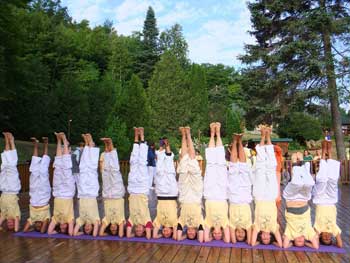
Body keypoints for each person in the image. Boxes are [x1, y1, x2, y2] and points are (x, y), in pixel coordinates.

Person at [251, 126, 283, 247]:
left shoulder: (257, 227)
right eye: (267, 238)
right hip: (270, 196)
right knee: (270, 167)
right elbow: (280, 244)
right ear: (270, 236)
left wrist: (257, 241)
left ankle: (263, 136)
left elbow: (253, 243)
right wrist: (275, 242)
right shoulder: (274, 228)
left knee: (260, 167)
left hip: (259, 195)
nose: (264, 237)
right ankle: (267, 136)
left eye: (263, 238)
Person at [282, 152, 319, 249]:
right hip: (304, 198)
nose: (300, 241)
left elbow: (285, 246)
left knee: (296, 183)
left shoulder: (290, 234)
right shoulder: (308, 233)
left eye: (297, 242)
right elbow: (316, 246)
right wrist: (306, 244)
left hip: (291, 198)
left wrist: (291, 243)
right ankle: (302, 162)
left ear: (294, 240)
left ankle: (294, 162)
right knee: (310, 183)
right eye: (302, 242)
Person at [203, 123, 230, 243]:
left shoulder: (208, 223)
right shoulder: (225, 223)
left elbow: (204, 238)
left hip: (210, 194)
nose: (217, 233)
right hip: (221, 195)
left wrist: (209, 237)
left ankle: (212, 133)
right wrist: (224, 237)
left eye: (215, 234)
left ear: (212, 232)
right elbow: (228, 240)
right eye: (220, 234)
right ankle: (218, 133)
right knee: (220, 163)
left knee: (210, 164)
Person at [313, 140, 342, 248]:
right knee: (333, 179)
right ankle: (329, 153)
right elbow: (340, 245)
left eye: (325, 238)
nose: (327, 237)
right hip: (330, 200)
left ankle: (323, 151)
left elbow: (315, 242)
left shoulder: (318, 228)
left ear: (320, 236)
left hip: (320, 200)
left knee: (322, 179)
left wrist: (318, 235)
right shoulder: (334, 229)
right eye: (329, 238)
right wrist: (335, 236)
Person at [177, 126, 204, 243]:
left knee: (183, 163)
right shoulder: (199, 223)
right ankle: (188, 134)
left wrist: (183, 237)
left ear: (186, 232)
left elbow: (178, 238)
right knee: (193, 162)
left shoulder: (182, 222)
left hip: (184, 195)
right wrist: (198, 236)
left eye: (189, 234)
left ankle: (183, 135)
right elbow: (202, 239)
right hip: (196, 195)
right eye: (194, 234)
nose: (191, 232)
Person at [126, 127, 152, 239]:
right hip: (142, 189)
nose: (138, 229)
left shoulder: (132, 221)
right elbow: (149, 237)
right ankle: (142, 136)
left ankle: (136, 136)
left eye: (136, 230)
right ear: (145, 230)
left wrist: (132, 234)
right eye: (140, 231)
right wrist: (146, 233)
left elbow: (127, 235)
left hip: (132, 189)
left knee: (133, 162)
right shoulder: (147, 221)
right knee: (141, 163)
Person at [47, 132, 75, 236]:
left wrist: (55, 232)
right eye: (65, 228)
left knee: (58, 167)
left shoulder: (55, 219)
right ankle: (64, 140)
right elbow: (71, 233)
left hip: (58, 192)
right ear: (67, 226)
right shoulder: (70, 219)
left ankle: (58, 140)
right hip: (67, 193)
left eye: (61, 228)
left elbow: (49, 232)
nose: (63, 226)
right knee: (66, 168)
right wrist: (68, 231)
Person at [228, 133, 252, 245]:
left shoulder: (232, 225)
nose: (239, 235)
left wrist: (235, 240)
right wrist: (247, 239)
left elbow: (233, 241)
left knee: (233, 168)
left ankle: (234, 141)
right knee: (243, 167)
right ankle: (240, 141)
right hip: (244, 198)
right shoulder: (248, 225)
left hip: (234, 197)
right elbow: (250, 242)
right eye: (242, 236)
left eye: (238, 236)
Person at [73, 134, 100, 237]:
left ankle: (86, 144)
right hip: (92, 192)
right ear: (92, 228)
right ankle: (91, 143)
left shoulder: (81, 220)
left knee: (83, 168)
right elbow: (94, 234)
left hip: (83, 193)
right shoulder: (95, 220)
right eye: (89, 229)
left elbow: (74, 233)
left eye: (86, 229)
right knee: (91, 169)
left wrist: (80, 233)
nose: (87, 228)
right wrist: (92, 233)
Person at [23, 137, 51, 233]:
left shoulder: (32, 219)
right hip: (43, 195)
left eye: (37, 227)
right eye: (40, 226)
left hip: (34, 195)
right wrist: (40, 229)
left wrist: (31, 227)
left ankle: (35, 145)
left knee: (34, 171)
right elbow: (43, 231)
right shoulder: (46, 218)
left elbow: (24, 230)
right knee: (43, 170)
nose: (39, 225)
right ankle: (46, 144)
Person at [99, 138, 125, 237]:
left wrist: (106, 234)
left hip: (107, 194)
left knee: (105, 171)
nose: (113, 228)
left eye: (112, 230)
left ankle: (106, 145)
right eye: (115, 230)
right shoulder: (120, 220)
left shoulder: (106, 220)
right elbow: (121, 235)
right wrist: (117, 233)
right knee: (114, 170)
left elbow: (101, 234)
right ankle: (111, 144)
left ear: (109, 228)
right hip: (117, 194)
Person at [152, 137, 178, 239]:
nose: (166, 232)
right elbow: (176, 237)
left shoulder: (158, 222)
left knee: (159, 170)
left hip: (161, 194)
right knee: (169, 169)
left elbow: (154, 236)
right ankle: (167, 146)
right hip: (171, 194)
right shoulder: (174, 222)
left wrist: (159, 235)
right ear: (172, 231)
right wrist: (172, 235)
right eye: (168, 234)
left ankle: (161, 146)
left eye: (164, 233)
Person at [0, 132, 21, 232]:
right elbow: (16, 229)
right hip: (13, 188)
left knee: (4, 165)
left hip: (3, 189)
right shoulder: (16, 215)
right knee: (12, 165)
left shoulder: (4, 215)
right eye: (11, 224)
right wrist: (15, 228)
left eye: (8, 224)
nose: (9, 223)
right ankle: (11, 141)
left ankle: (7, 140)